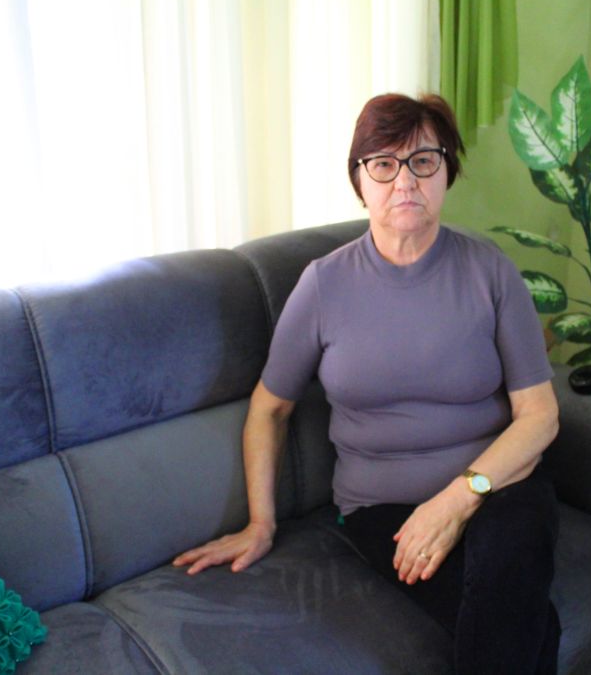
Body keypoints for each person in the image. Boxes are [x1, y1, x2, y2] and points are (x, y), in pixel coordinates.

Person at [173, 93, 562, 674]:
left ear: (447, 172)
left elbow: (540, 415)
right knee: (527, 623)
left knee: (511, 575)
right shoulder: (323, 286)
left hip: (500, 485)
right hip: (381, 508)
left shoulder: (491, 271)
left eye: (423, 161)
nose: (405, 181)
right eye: (383, 163)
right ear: (360, 180)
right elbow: (269, 409)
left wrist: (457, 500)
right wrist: (261, 523)